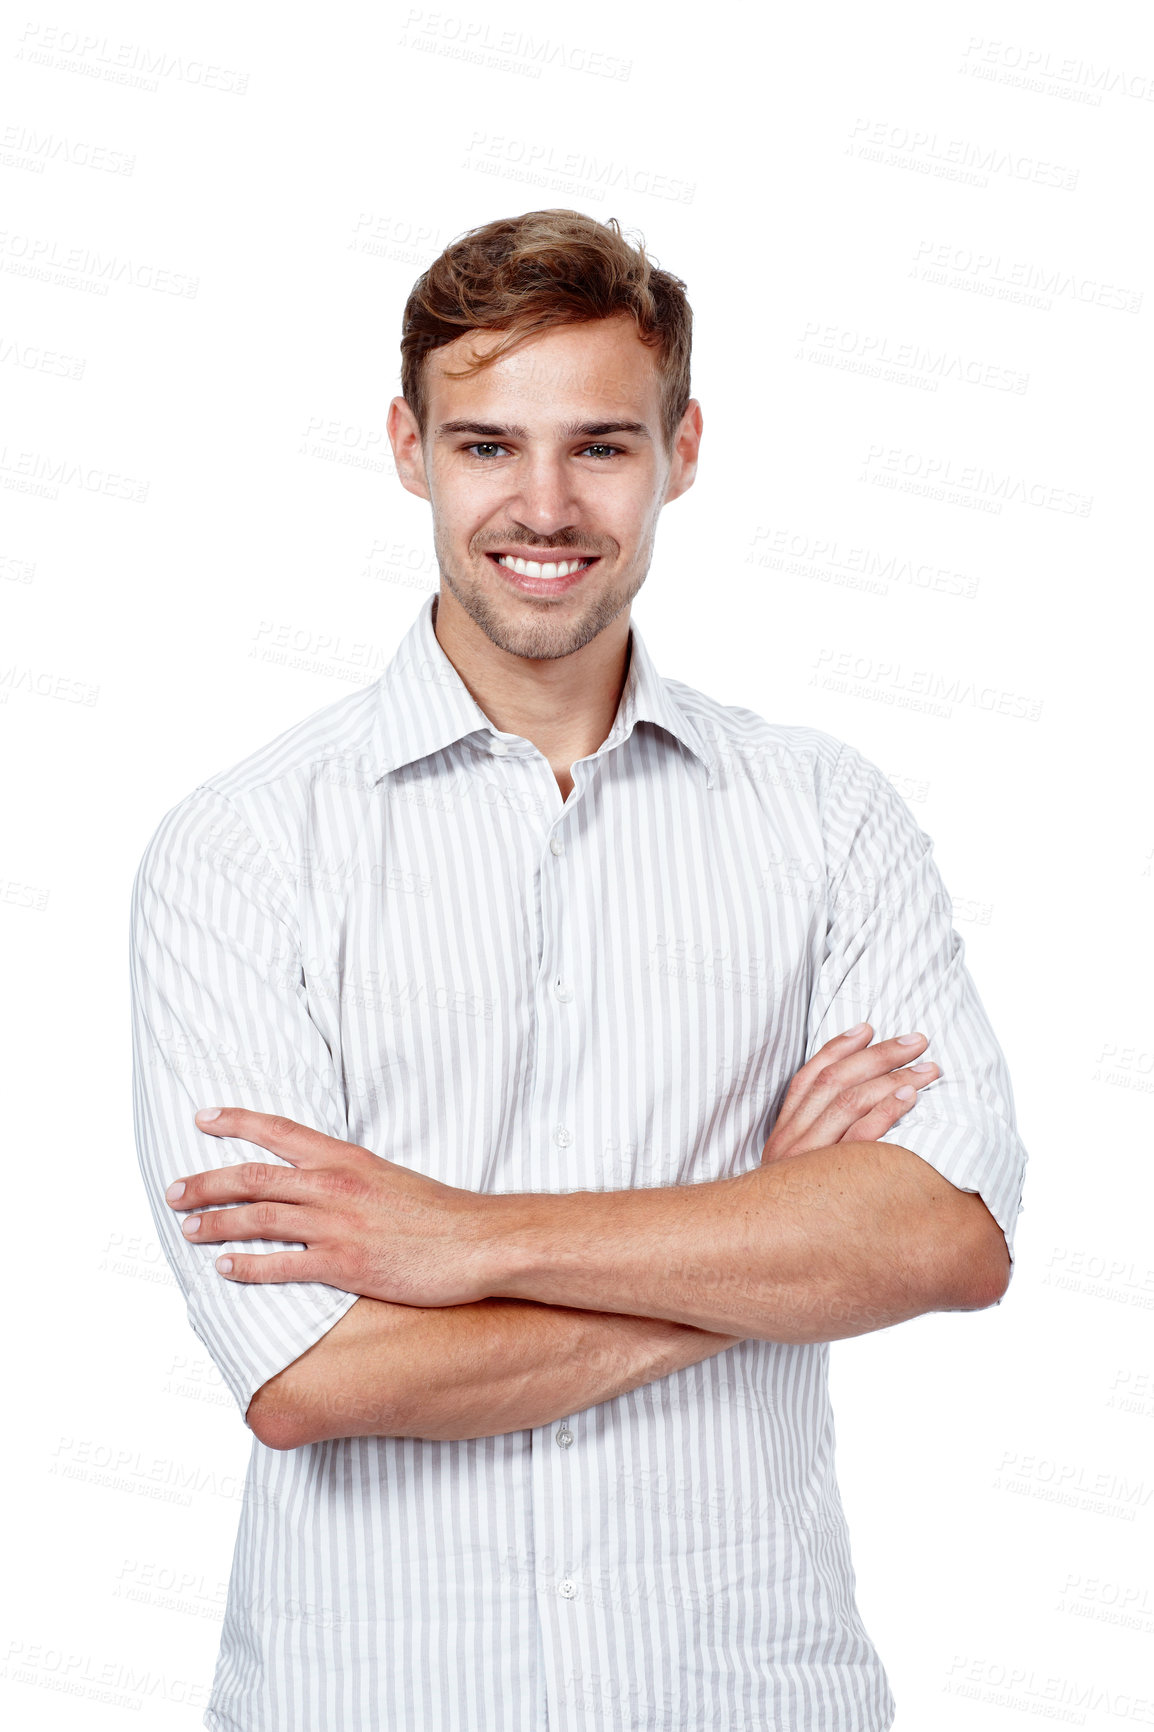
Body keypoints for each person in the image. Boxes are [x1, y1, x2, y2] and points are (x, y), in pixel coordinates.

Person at [129, 208, 1028, 1732]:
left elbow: (943, 1238)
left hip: (745, 1695)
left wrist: (459, 1238)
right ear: (409, 450)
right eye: (487, 446)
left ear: (683, 449)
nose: (542, 506)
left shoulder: (825, 814)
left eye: (600, 446)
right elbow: (318, 1379)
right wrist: (760, 1248)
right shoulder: (238, 849)